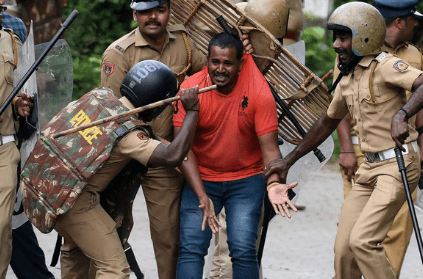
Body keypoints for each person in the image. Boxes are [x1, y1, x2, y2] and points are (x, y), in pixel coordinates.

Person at [263, 2, 423, 279]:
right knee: (344, 250)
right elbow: (327, 121)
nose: (336, 44)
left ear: (363, 36)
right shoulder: (348, 78)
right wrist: (288, 160)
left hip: (396, 166)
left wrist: (402, 113)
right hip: (368, 168)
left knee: (363, 242)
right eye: (335, 37)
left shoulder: (386, 66)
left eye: (342, 37)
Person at [101, 1, 252, 278]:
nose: (153, 17)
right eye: (145, 11)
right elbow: (113, 115)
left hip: (167, 156)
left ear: (169, 10)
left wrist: (239, 52)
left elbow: (211, 75)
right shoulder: (118, 53)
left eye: (159, 9)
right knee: (109, 232)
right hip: (126, 156)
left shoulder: (185, 43)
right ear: (135, 14)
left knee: (169, 239)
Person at [50, 60, 218, 278]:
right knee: (115, 269)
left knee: (76, 254)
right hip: (77, 202)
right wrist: (192, 112)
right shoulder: (130, 135)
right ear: (157, 103)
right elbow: (173, 155)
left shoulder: (100, 98)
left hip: (53, 190)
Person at [174, 32, 297, 279]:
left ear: (241, 64)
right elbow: (182, 150)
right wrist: (201, 195)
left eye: (228, 63)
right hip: (202, 178)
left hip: (246, 179)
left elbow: (270, 149)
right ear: (207, 60)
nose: (220, 69)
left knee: (242, 250)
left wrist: (273, 183)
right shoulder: (190, 89)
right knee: (191, 247)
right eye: (215, 62)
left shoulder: (258, 91)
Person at [334, 1, 423, 277]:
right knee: (349, 244)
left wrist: (405, 119)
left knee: (386, 235)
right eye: (411, 20)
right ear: (399, 21)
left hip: (397, 156)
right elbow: (335, 113)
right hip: (364, 159)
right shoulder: (349, 58)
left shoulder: (412, 55)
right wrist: (346, 151)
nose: (415, 25)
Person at [0, 1, 34, 278]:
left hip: (4, 148)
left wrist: (20, 108)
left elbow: (20, 87)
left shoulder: (11, 36)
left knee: (3, 228)